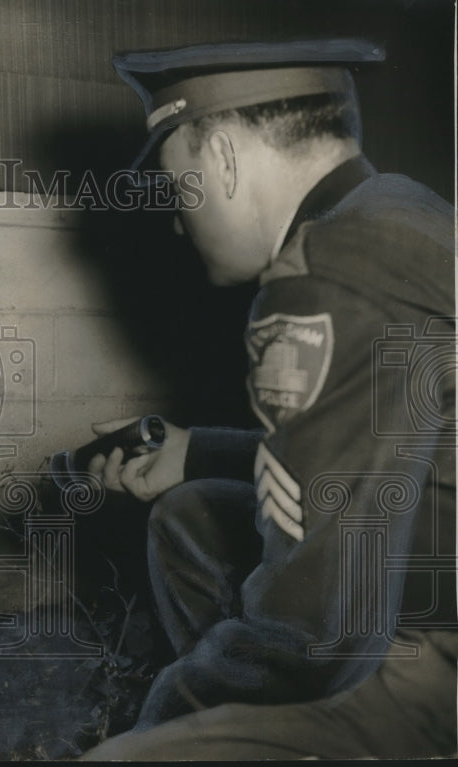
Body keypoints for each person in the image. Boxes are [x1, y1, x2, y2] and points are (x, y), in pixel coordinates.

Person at [78, 39, 456, 759]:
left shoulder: (326, 274)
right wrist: (193, 451)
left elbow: (316, 637)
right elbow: (401, 454)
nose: (175, 217)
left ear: (221, 156)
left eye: (173, 183)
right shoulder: (400, 215)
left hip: (439, 662)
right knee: (190, 515)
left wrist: (165, 720)